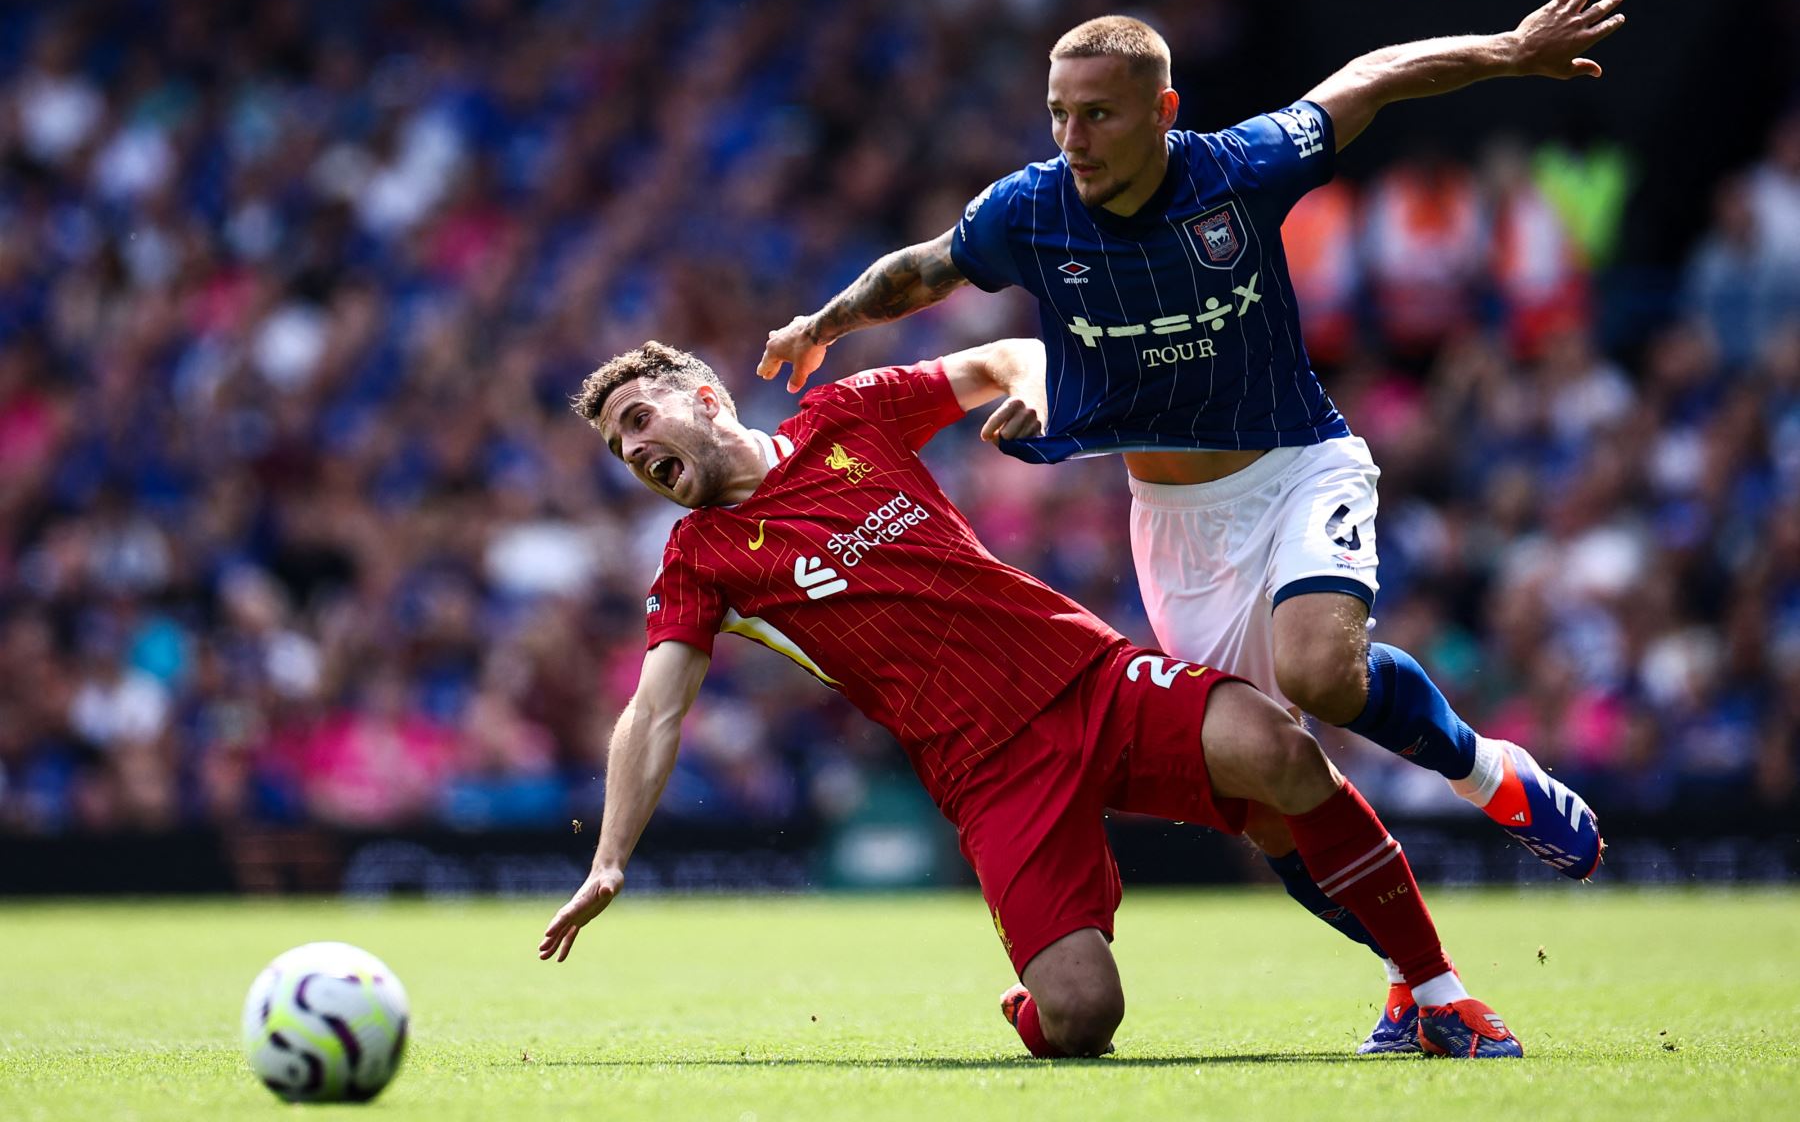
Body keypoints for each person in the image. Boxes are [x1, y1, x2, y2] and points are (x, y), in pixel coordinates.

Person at [758, 0, 1622, 1052]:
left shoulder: (1240, 170)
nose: (1074, 137)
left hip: (1298, 465)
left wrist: (1509, 48)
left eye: (1100, 113)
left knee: (1318, 673)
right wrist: (823, 321)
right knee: (1270, 793)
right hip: (1174, 529)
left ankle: (1490, 773)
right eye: (1059, 114)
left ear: (1163, 112)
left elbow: (1370, 78)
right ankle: (1421, 991)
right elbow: (921, 270)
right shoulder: (1029, 209)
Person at [539, 338, 1523, 1060]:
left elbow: (1009, 357)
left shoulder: (847, 417)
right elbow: (654, 710)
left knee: (1281, 750)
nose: (635, 454)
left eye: (638, 421)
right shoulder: (700, 560)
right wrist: (613, 859)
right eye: (623, 454)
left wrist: (1044, 396)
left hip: (1085, 676)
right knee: (1084, 1019)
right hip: (987, 774)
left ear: (705, 396)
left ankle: (1437, 995)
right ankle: (1035, 1000)